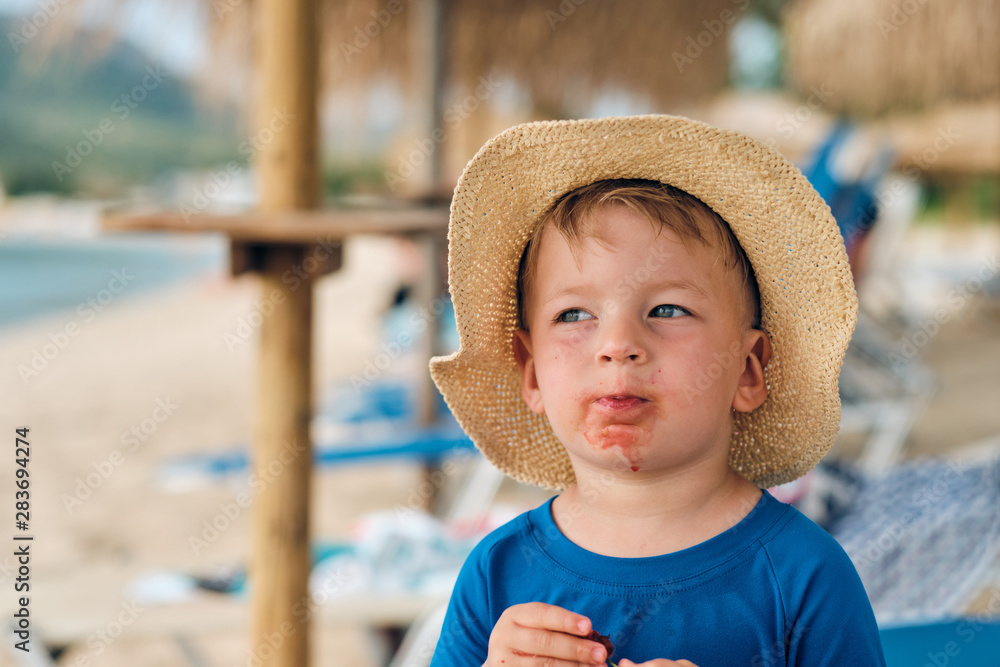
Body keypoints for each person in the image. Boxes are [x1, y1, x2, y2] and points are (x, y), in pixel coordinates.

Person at [427, 115, 886, 666]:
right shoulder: (496, 575)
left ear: (747, 369)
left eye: (667, 309)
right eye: (575, 314)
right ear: (530, 372)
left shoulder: (804, 577)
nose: (618, 344)